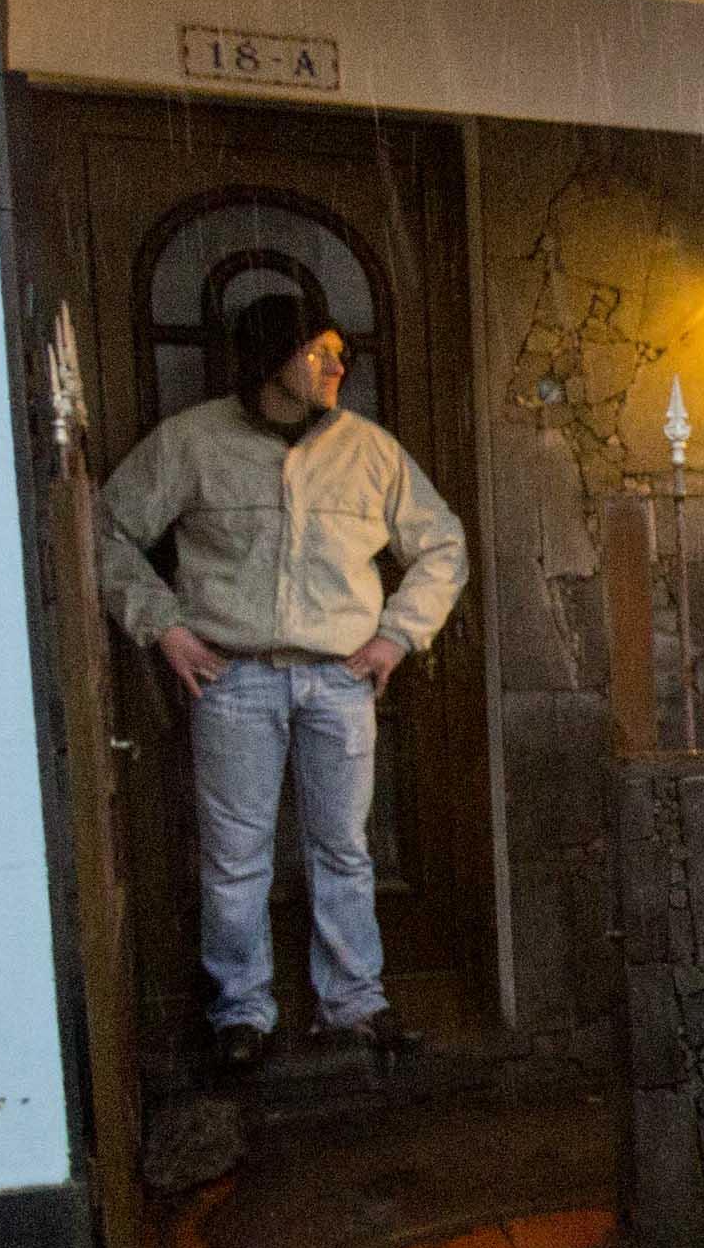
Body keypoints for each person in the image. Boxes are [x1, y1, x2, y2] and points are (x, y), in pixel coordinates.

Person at [96, 291, 470, 1075]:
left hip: (339, 682)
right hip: (233, 681)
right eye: (318, 351)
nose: (338, 364)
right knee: (235, 858)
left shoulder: (370, 451)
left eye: (338, 351)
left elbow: (442, 546)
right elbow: (105, 532)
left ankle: (355, 1002)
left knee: (344, 849)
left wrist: (397, 636)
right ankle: (242, 1012)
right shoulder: (191, 443)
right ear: (274, 357)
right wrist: (162, 626)